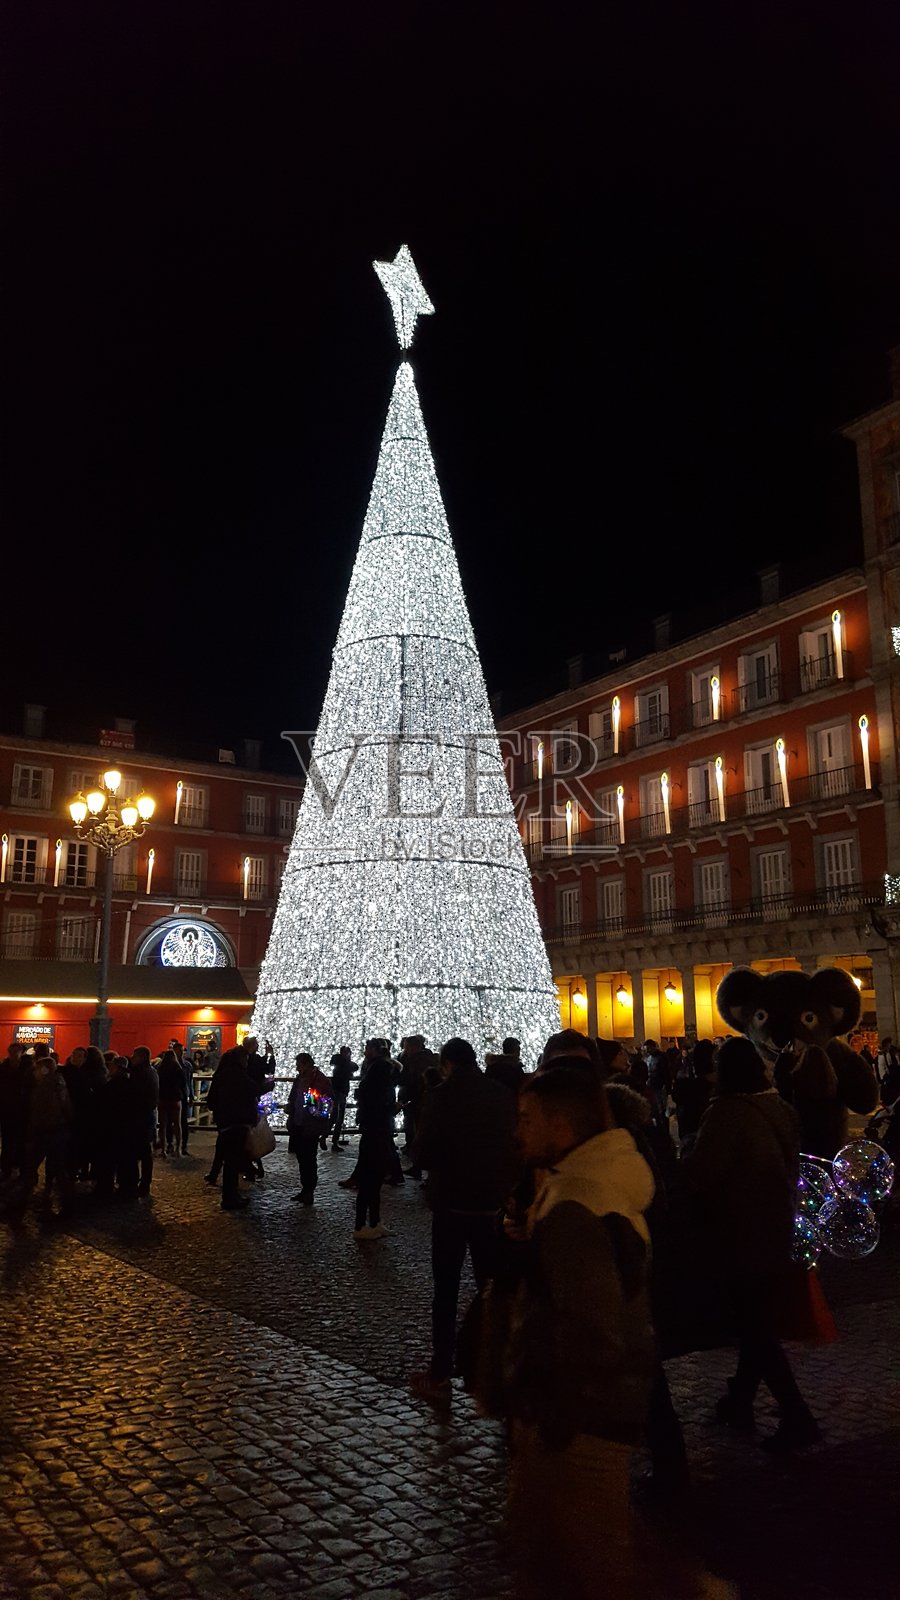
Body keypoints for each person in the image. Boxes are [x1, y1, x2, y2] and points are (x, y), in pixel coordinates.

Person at [505, 1069, 655, 1600]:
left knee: (594, 1566)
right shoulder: (604, 1181)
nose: (517, 1131)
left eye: (527, 1120)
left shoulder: (575, 1203)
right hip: (589, 1412)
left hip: (579, 1420)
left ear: (560, 1123)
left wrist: (555, 1413)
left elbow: (592, 1327)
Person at [680, 1035, 820, 1453]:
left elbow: (704, 1173)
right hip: (777, 1223)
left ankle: (797, 1416)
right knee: (754, 1320)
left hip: (739, 1230)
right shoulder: (779, 1109)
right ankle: (739, 1399)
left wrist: (687, 1150)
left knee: (755, 1327)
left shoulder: (726, 1113)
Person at [409, 1036, 519, 1406]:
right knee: (493, 1289)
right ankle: (500, 1364)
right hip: (491, 1207)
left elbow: (423, 1152)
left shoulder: (442, 1096)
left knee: (446, 1290)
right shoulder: (502, 1095)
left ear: (447, 1064)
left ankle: (441, 1369)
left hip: (453, 1206)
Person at [206, 1045, 259, 1210]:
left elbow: (211, 1101)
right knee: (232, 1162)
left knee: (229, 1159)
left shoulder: (221, 1075)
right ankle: (230, 1197)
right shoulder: (240, 1077)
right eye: (246, 1059)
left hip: (225, 1123)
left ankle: (231, 1194)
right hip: (237, 1123)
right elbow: (251, 1091)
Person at [353, 1052, 396, 1239]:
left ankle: (374, 1222)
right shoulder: (375, 1094)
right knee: (369, 1182)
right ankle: (361, 1225)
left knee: (375, 1183)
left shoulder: (371, 1089)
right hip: (374, 1137)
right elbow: (376, 1114)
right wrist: (392, 1109)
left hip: (375, 1137)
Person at [286, 1053, 333, 1205]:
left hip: (310, 1126)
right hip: (299, 1123)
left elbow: (321, 1103)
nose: (297, 1067)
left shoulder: (319, 1080)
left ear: (306, 1064)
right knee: (302, 1157)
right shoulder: (301, 1078)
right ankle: (305, 1188)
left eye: (299, 1064)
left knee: (309, 1158)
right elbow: (294, 1097)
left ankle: (309, 1190)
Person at [129, 1046, 159, 1196]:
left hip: (139, 1117)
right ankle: (145, 1182)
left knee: (137, 1151)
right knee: (146, 1152)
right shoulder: (152, 1071)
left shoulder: (140, 1073)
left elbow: (135, 1096)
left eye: (134, 1056)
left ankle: (137, 1183)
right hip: (148, 1115)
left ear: (141, 1057)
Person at [0, 1041, 29, 1180]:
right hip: (7, 1109)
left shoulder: (27, 1068)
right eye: (11, 1051)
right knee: (8, 1141)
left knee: (21, 1141)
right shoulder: (3, 1068)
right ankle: (6, 1168)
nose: (13, 1054)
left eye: (15, 1051)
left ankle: (21, 1168)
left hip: (22, 1110)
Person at [156, 1050, 185, 1156]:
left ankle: (163, 1150)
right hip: (175, 1098)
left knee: (163, 1125)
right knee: (177, 1124)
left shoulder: (160, 1069)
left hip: (163, 1099)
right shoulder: (178, 1069)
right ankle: (178, 1149)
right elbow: (183, 1084)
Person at [329, 1046, 357, 1150]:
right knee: (338, 1117)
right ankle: (331, 1139)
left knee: (335, 1117)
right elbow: (355, 1067)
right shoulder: (344, 1064)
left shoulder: (337, 1062)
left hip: (337, 1091)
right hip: (341, 1092)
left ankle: (326, 1136)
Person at [171, 1040, 194, 1156]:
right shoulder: (170, 1066)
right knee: (172, 1122)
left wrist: (191, 1095)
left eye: (182, 1051)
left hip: (183, 1096)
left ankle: (183, 1146)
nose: (181, 1053)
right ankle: (171, 1145)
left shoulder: (187, 1066)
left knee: (183, 1122)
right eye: (178, 1051)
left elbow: (190, 1082)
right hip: (173, 1096)